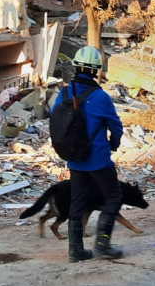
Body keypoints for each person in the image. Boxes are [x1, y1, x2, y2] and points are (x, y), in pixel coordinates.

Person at [52, 45, 124, 262]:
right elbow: (116, 126)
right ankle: (102, 245)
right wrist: (114, 144)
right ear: (95, 70)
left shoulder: (63, 93)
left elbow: (56, 122)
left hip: (74, 159)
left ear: (76, 67)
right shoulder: (100, 97)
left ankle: (75, 251)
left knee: (77, 203)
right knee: (113, 197)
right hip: (99, 159)